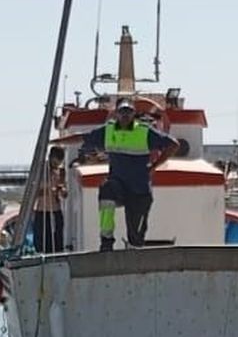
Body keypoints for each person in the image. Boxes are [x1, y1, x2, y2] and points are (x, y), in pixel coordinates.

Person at [76, 98, 184, 250]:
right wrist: (54, 142)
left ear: (134, 114)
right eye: (122, 111)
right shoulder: (108, 131)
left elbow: (174, 144)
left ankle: (134, 251)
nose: (125, 115)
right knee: (107, 189)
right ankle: (106, 241)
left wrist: (155, 165)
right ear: (116, 113)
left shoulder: (144, 131)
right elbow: (83, 137)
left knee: (136, 237)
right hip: (118, 186)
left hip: (139, 191)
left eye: (129, 111)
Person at [31, 148, 67, 253]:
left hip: (56, 211)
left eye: (59, 163)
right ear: (50, 157)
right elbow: (34, 192)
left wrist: (62, 190)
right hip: (42, 211)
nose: (57, 165)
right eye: (55, 163)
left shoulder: (61, 172)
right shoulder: (41, 170)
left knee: (57, 242)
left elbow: (64, 193)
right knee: (41, 243)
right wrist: (49, 190)